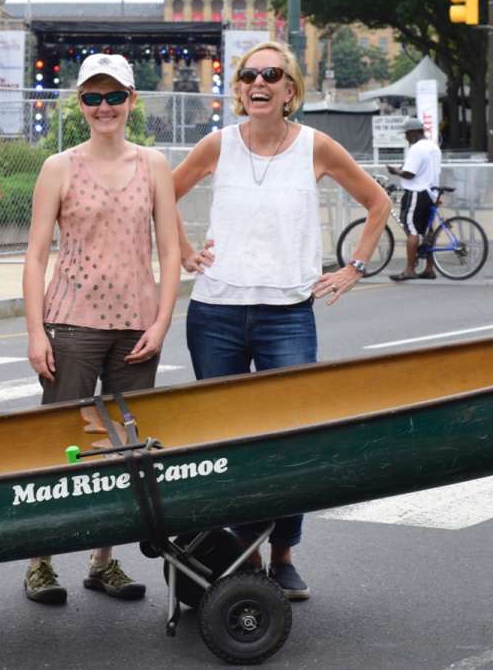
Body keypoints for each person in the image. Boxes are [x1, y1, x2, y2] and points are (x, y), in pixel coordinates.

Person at [171, 41, 390, 601]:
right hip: (215, 312)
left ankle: (282, 555)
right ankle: (236, 560)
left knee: (290, 441)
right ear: (240, 88)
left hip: (287, 315)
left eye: (272, 74)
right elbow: (161, 196)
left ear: (291, 89)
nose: (259, 82)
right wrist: (183, 248)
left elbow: (377, 201)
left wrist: (355, 267)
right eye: (249, 75)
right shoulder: (217, 144)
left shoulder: (315, 147)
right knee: (223, 438)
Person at [20, 54, 180, 605]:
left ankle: (103, 560)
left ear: (132, 101)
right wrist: (36, 330)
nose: (104, 107)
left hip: (136, 331)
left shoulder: (154, 164)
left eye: (114, 96)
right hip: (70, 325)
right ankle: (39, 558)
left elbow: (171, 248)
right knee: (60, 443)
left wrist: (162, 321)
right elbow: (36, 252)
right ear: (80, 104)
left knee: (126, 449)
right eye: (93, 97)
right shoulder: (58, 167)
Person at [387, 117, 442, 281]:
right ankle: (429, 269)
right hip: (431, 192)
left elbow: (410, 174)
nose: (405, 137)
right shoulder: (433, 147)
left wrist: (395, 171)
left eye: (406, 133)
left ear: (414, 132)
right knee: (427, 231)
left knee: (412, 230)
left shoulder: (417, 149)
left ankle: (409, 269)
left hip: (417, 192)